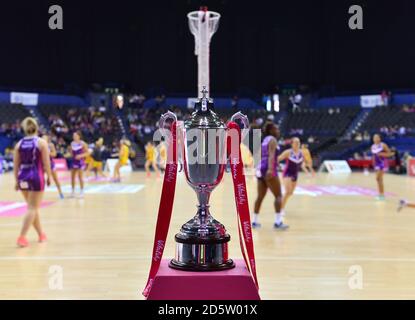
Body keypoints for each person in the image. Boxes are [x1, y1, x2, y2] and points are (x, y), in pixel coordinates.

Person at [13, 117, 51, 247]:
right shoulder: (41, 143)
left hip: (23, 177)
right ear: (37, 127)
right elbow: (46, 163)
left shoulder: (19, 144)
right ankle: (22, 237)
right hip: (36, 176)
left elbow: (16, 166)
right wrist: (49, 177)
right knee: (32, 208)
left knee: (32, 208)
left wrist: (16, 181)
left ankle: (41, 234)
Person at [252, 122, 288, 230]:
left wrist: (276, 165)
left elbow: (265, 155)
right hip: (268, 168)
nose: (278, 131)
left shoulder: (265, 140)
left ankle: (254, 221)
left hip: (261, 168)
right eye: (276, 129)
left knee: (260, 197)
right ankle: (278, 223)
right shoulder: (272, 139)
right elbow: (271, 155)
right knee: (278, 196)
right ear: (271, 130)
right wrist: (271, 169)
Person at [279, 137, 304, 213]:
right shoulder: (288, 152)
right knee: (287, 191)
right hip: (287, 173)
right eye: (295, 142)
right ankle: (280, 209)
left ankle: (281, 204)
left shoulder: (301, 152)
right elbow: (278, 158)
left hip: (295, 174)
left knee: (290, 193)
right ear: (292, 144)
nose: (297, 144)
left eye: (298, 142)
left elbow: (302, 162)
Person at [371, 134, 394, 200]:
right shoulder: (372, 146)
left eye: (377, 137)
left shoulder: (383, 145)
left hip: (382, 163)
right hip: (377, 164)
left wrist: (382, 154)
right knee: (379, 179)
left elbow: (390, 154)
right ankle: (380, 194)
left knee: (378, 178)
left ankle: (382, 194)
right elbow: (374, 156)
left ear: (379, 138)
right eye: (374, 137)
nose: (375, 138)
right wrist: (373, 163)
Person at [42, 134, 64, 199]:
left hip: (50, 164)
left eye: (44, 138)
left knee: (56, 179)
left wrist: (48, 153)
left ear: (47, 140)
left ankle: (60, 193)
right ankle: (39, 194)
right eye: (42, 138)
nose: (43, 139)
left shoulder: (50, 145)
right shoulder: (40, 145)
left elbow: (54, 154)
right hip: (43, 165)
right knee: (40, 179)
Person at [68, 131, 88, 198]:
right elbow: (71, 153)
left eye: (75, 135)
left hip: (80, 162)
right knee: (72, 177)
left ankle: (82, 192)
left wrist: (81, 156)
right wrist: (69, 155)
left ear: (79, 136)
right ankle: (73, 192)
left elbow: (87, 153)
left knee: (80, 177)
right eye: (73, 136)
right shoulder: (72, 143)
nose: (74, 137)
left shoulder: (83, 143)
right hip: (74, 161)